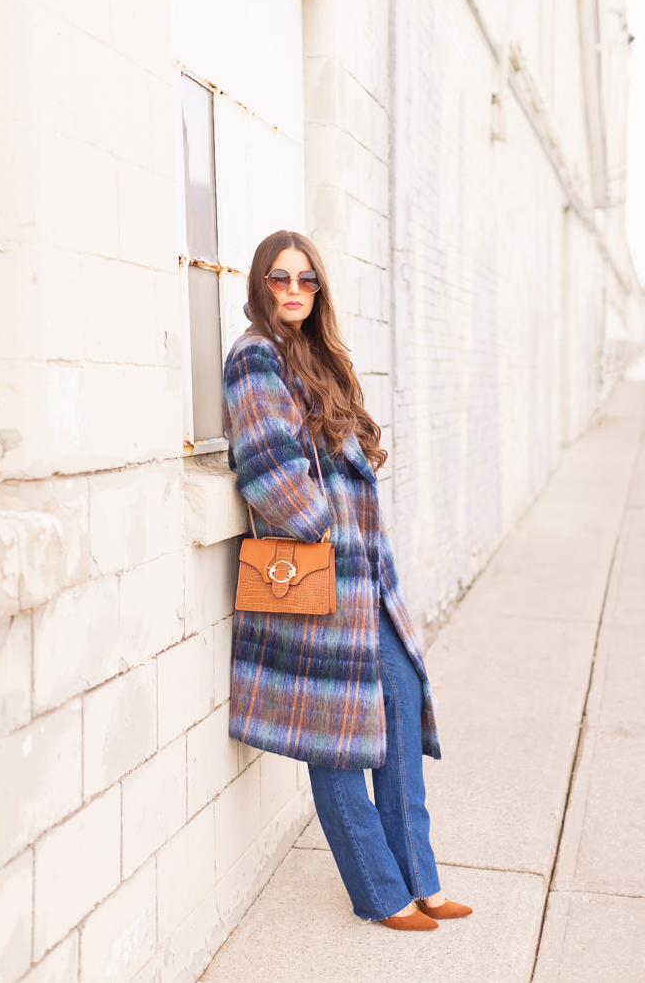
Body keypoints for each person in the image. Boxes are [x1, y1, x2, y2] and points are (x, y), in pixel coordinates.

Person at [222, 230, 472, 931]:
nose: (295, 290)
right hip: (318, 578)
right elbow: (268, 465)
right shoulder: (254, 358)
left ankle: (420, 878)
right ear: (260, 285)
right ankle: (379, 891)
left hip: (368, 582)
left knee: (396, 702)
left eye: (306, 280)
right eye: (280, 279)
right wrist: (319, 529)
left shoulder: (321, 360)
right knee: (333, 738)